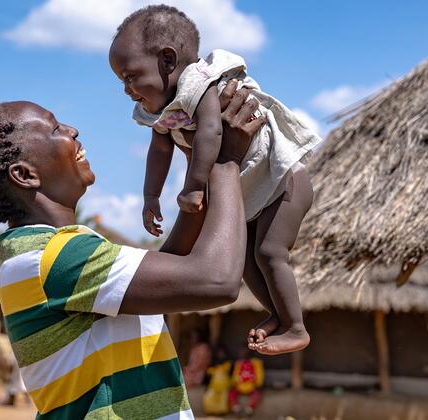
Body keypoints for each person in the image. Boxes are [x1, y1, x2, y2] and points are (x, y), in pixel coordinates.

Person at [0, 83, 262, 418]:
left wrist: (203, 162)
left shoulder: (52, 255)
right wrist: (226, 163)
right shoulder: (51, 260)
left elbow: (173, 271)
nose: (73, 130)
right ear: (25, 175)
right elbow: (216, 282)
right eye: (55, 128)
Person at [109, 5, 320, 356]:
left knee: (269, 253)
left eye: (130, 77)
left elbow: (210, 132)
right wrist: (151, 197)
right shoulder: (163, 111)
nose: (127, 89)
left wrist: (193, 185)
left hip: (284, 182)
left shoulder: (203, 84)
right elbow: (160, 151)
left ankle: (296, 327)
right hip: (254, 195)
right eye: (121, 81)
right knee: (247, 262)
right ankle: (277, 315)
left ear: (167, 60)